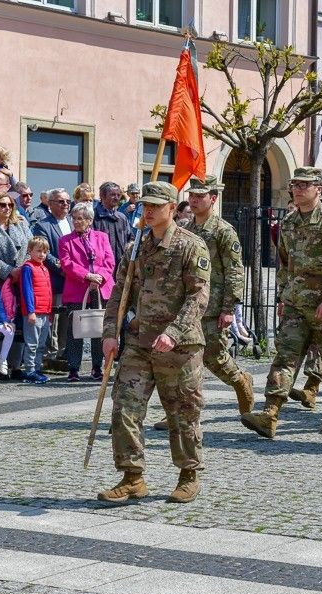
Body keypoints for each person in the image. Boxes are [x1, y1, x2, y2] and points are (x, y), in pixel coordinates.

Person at [97, 181, 212, 505]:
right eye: (145, 205)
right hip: (139, 341)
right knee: (125, 408)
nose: (147, 211)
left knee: (182, 413)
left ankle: (188, 474)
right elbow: (119, 293)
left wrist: (173, 332)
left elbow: (198, 296)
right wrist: (109, 333)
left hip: (180, 346)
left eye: (155, 206)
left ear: (172, 209)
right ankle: (132, 476)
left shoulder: (191, 246)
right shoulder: (136, 247)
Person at [242, 167, 322, 438]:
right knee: (284, 357)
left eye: (305, 184)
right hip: (295, 305)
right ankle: (270, 413)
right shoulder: (289, 222)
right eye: (295, 184)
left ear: (318, 189)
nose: (298, 189)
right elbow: (285, 264)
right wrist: (282, 296)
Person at [153, 176, 253, 429]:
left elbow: (234, 270)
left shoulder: (223, 231)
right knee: (180, 360)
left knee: (214, 357)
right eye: (192, 196)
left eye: (201, 196)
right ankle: (177, 411)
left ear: (213, 199)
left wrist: (230, 308)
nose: (195, 200)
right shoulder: (186, 228)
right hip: (188, 307)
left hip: (213, 306)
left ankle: (241, 381)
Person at [58, 201, 115, 381]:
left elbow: (109, 261)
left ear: (89, 220)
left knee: (99, 328)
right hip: (77, 289)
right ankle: (73, 367)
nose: (76, 221)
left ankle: (97, 367)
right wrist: (87, 276)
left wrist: (99, 277)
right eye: (74, 218)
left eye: (80, 219)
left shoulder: (102, 237)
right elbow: (67, 264)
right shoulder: (65, 240)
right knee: (76, 330)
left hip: (101, 288)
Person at [32, 188, 71, 365]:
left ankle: (63, 352)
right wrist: (62, 267)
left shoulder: (72, 221)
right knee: (53, 319)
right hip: (55, 279)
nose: (65, 205)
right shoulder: (43, 224)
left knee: (66, 319)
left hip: (72, 281)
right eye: (61, 201)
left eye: (67, 201)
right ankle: (50, 355)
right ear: (50, 203)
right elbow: (44, 253)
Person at [18, 237, 54, 384]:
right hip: (34, 312)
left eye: (44, 252)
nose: (42, 254)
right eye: (38, 251)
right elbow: (27, 291)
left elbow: (48, 291)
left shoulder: (44, 268)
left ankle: (37, 368)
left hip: (45, 312)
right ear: (30, 251)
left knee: (41, 344)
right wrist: (30, 311)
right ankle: (30, 370)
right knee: (32, 343)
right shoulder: (28, 267)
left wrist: (49, 312)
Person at [94, 182, 132, 268]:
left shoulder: (122, 218)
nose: (116, 198)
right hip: (100, 267)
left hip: (120, 266)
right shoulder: (92, 216)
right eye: (113, 195)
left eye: (118, 195)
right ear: (102, 196)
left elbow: (130, 238)